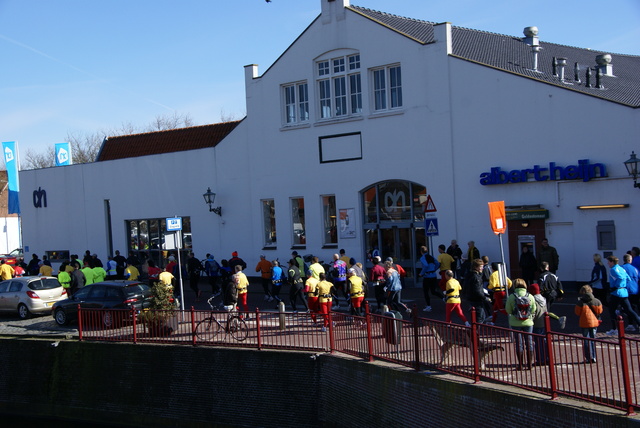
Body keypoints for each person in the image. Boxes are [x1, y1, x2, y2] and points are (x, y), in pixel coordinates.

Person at [529, 283, 566, 366]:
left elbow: (533, 312)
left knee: (538, 343)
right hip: (544, 323)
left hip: (536, 323)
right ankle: (547, 358)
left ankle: (541, 359)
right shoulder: (543, 299)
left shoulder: (533, 299)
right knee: (544, 342)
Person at [505, 278, 537, 371]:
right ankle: (530, 364)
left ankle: (520, 364)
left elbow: (508, 310)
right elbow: (533, 309)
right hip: (528, 322)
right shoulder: (530, 296)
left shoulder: (512, 296)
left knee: (519, 343)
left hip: (515, 322)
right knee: (529, 342)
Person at [605, 255, 640, 336]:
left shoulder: (613, 269)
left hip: (617, 293)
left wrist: (616, 286)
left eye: (608, 262)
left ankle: (614, 329)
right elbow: (628, 278)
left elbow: (620, 278)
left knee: (611, 310)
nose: (608, 263)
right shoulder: (621, 268)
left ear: (612, 262)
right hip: (624, 292)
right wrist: (623, 285)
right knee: (629, 310)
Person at [575, 284, 603, 364]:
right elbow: (600, 311)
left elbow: (577, 312)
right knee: (593, 339)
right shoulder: (597, 301)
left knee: (586, 340)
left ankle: (588, 357)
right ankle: (593, 356)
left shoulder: (580, 302)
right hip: (594, 322)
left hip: (584, 322)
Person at [463, 258, 491, 324]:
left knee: (479, 316)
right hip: (476, 299)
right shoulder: (476, 277)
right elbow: (477, 290)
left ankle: (475, 331)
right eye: (481, 267)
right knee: (480, 317)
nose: (482, 268)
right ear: (476, 267)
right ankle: (475, 332)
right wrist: (485, 298)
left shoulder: (470, 274)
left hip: (471, 297)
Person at [419, 246, 442, 313]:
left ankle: (428, 306)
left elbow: (425, 265)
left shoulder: (423, 258)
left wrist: (422, 273)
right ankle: (443, 298)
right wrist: (434, 269)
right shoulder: (431, 256)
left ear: (421, 252)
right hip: (433, 275)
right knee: (433, 291)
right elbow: (437, 263)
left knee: (426, 291)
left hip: (427, 276)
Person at [621, 253, 640, 332]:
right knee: (635, 307)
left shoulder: (621, 268)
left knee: (628, 308)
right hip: (636, 290)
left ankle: (631, 324)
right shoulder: (635, 269)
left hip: (627, 290)